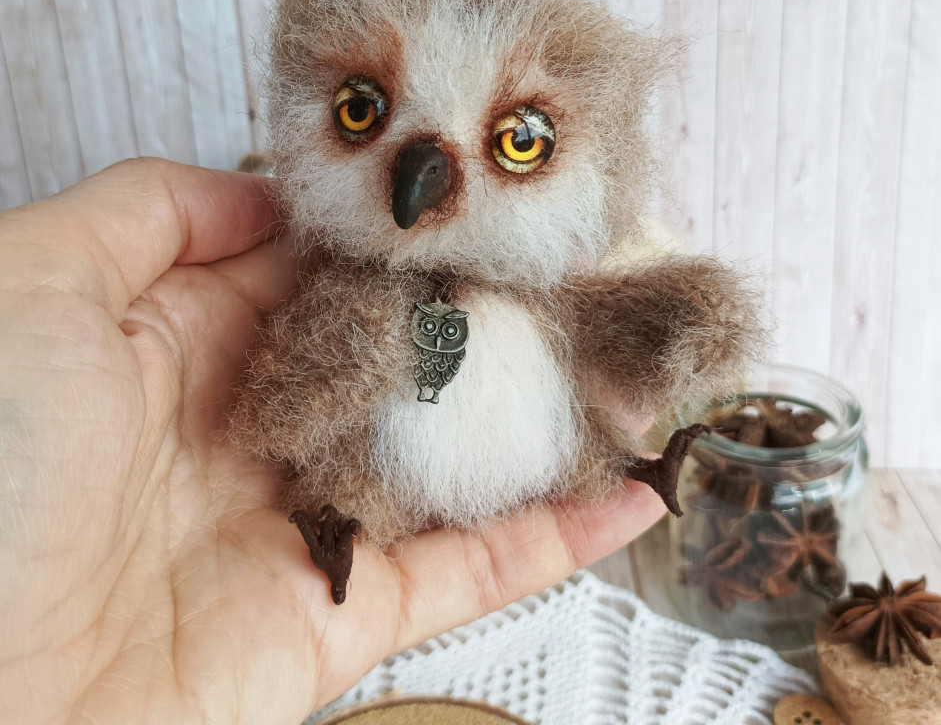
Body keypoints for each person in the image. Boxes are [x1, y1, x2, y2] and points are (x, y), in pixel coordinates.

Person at [0, 158, 665, 724]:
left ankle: (620, 466)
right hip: (376, 475)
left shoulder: (549, 289)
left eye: (520, 143)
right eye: (360, 113)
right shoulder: (356, 292)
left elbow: (626, 330)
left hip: (531, 440)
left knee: (584, 427)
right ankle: (341, 531)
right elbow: (287, 402)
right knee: (351, 464)